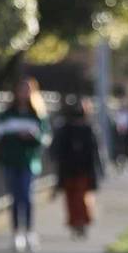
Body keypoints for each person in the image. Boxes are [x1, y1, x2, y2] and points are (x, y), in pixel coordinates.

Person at [0, 77, 50, 252]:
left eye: (27, 90)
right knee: (15, 198)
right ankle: (17, 233)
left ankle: (30, 232)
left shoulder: (37, 114)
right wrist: (15, 135)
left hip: (29, 161)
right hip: (10, 160)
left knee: (26, 196)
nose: (24, 93)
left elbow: (45, 137)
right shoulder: (8, 114)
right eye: (21, 89)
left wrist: (32, 137)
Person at [50, 97, 104, 238]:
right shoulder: (64, 129)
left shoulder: (89, 129)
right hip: (67, 170)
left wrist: (99, 171)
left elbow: (95, 152)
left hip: (84, 170)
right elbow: (55, 150)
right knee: (70, 199)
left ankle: (82, 222)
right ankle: (74, 223)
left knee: (82, 198)